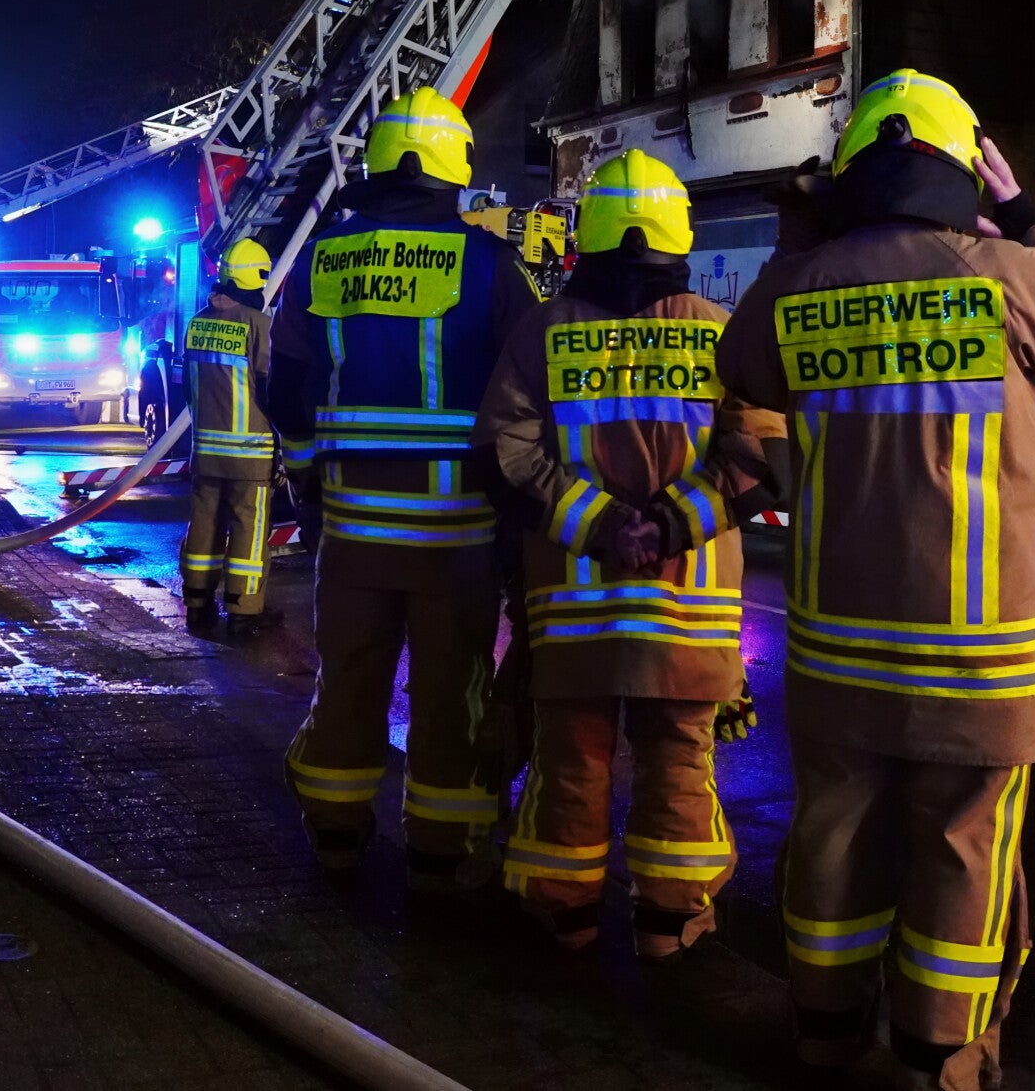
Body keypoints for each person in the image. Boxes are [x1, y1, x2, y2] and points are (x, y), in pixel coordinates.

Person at [715, 70, 1035, 1089]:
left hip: (835, 657)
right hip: (977, 663)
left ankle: (822, 1034)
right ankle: (935, 1061)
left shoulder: (803, 283)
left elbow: (744, 367)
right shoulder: (1003, 273)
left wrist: (799, 239)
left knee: (830, 844)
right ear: (963, 170)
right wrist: (1031, 223)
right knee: (963, 856)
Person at [475, 148, 784, 958]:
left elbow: (504, 454)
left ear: (590, 234)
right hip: (690, 615)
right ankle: (669, 923)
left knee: (570, 765)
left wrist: (602, 524)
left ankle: (565, 914)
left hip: (573, 618)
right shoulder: (718, 333)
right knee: (679, 764)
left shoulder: (541, 331)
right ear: (677, 234)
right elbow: (760, 458)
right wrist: (669, 526)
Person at [268, 85, 542, 893]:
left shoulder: (322, 258)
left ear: (377, 169)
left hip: (351, 530)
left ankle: (335, 832)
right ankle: (436, 850)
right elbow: (527, 397)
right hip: (456, 535)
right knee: (447, 689)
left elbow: (285, 392)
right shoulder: (492, 265)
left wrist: (311, 477)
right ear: (452, 173)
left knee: (347, 676)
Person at [179, 238, 281, 637]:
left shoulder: (198, 322)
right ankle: (243, 611)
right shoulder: (259, 325)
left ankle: (197, 604)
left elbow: (190, 389)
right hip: (250, 453)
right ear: (255, 278)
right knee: (248, 530)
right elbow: (272, 390)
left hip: (206, 451)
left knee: (203, 523)